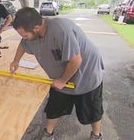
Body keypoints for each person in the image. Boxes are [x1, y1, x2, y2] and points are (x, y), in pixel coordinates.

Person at [10, 7, 104, 140]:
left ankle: (96, 135)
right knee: (54, 107)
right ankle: (48, 133)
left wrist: (62, 80)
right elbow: (23, 44)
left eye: (25, 35)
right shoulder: (32, 34)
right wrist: (15, 61)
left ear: (37, 27)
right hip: (60, 76)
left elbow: (76, 60)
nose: (24, 38)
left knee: (92, 109)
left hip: (86, 73)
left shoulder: (60, 29)